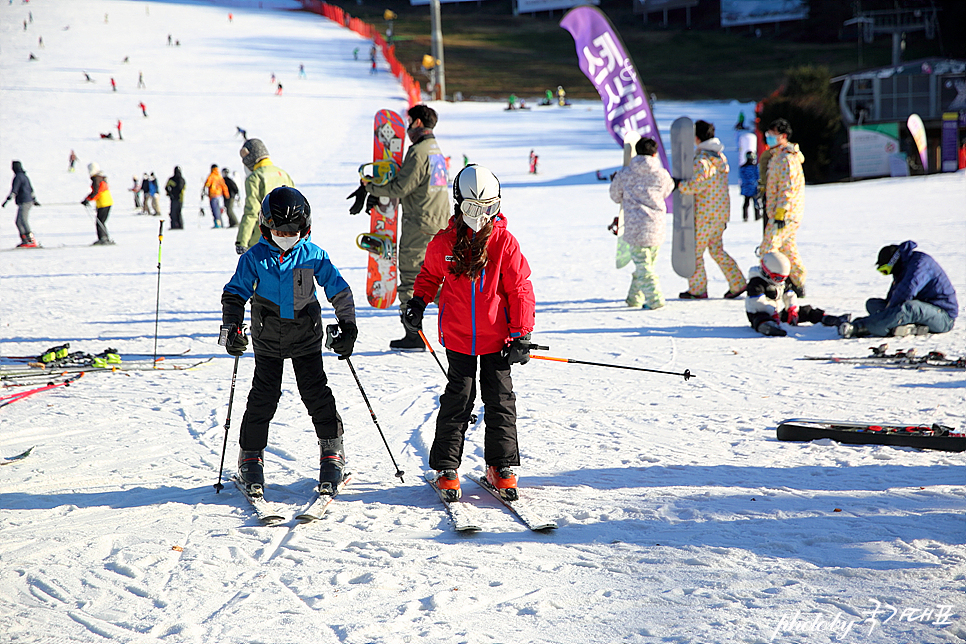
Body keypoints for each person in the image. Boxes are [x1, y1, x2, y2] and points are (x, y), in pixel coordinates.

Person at [402, 165, 535, 501]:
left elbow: (519, 288)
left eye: (490, 207)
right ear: (459, 204)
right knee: (458, 399)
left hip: (497, 339)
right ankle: (447, 467)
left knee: (500, 400)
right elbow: (429, 277)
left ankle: (501, 466)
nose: (482, 216)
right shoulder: (445, 243)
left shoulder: (504, 244)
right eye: (474, 209)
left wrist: (521, 334)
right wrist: (417, 303)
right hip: (459, 337)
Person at [221, 187, 357, 496]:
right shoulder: (254, 258)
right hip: (267, 337)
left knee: (315, 393)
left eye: (291, 231)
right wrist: (231, 328)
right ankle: (251, 455)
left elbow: (339, 290)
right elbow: (234, 293)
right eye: (278, 230)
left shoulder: (313, 255)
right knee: (263, 397)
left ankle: (332, 450)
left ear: (304, 228)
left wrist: (348, 325)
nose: (285, 236)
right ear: (265, 227)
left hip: (305, 336)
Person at [354, 104, 450, 350]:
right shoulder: (436, 151)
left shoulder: (419, 152)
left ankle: (413, 334)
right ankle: (461, 321)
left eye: (409, 123)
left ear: (418, 123)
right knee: (438, 281)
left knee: (410, 279)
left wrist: (371, 188)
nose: (407, 128)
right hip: (440, 223)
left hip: (420, 225)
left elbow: (400, 188)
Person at [677, 120, 746, 299]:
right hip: (720, 213)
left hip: (704, 213)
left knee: (695, 252)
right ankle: (738, 282)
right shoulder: (719, 157)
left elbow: (698, 184)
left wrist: (680, 186)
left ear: (697, 137)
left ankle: (698, 289)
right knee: (716, 249)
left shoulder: (702, 160)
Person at [839, 241, 958, 339]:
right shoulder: (902, 267)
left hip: (943, 317)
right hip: (922, 310)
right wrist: (887, 312)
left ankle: (860, 327)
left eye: (886, 270)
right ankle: (906, 327)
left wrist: (882, 316)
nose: (888, 274)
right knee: (872, 304)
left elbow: (907, 290)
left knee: (910, 308)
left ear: (894, 262)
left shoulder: (920, 263)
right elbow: (893, 297)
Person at [608, 137, 674, 309]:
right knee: (646, 264)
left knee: (644, 266)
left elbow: (615, 196)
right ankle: (634, 298)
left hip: (635, 226)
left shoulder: (625, 173)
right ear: (655, 153)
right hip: (657, 226)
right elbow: (668, 190)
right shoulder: (662, 174)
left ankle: (655, 299)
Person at [746, 252, 848, 337]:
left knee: (805, 311)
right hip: (760, 312)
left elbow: (789, 294)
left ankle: (829, 319)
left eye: (784, 278)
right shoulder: (756, 283)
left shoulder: (779, 282)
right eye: (778, 278)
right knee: (760, 318)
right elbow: (757, 302)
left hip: (776, 313)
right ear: (766, 273)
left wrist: (791, 308)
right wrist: (772, 312)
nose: (781, 282)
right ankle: (767, 327)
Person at [761, 118, 806, 297]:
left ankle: (769, 283)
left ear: (783, 136)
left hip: (784, 214)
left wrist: (781, 212)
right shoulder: (777, 156)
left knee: (768, 249)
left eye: (773, 135)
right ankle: (799, 280)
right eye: (768, 134)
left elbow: (789, 187)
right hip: (784, 213)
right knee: (788, 248)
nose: (769, 138)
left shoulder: (787, 158)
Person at [236, 139, 294, 253]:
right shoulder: (283, 174)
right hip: (288, 236)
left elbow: (252, 211)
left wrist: (241, 241)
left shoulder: (255, 178)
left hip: (263, 237)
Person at [3, 161, 41, 248]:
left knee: (22, 221)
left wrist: (7, 200)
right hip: (27, 201)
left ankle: (30, 240)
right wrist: (34, 200)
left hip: (25, 201)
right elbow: (31, 189)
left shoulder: (18, 177)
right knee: (18, 222)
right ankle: (25, 240)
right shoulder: (24, 176)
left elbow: (14, 190)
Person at [81, 162, 114, 245]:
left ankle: (103, 238)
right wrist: (88, 199)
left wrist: (87, 199)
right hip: (105, 202)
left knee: (100, 222)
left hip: (104, 203)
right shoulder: (100, 178)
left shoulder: (96, 179)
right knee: (101, 221)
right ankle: (105, 237)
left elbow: (96, 192)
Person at [739, 151, 760, 222]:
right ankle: (757, 216)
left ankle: (745, 216)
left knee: (746, 203)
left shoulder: (743, 167)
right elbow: (758, 176)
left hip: (746, 188)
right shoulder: (755, 167)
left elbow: (742, 177)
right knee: (756, 203)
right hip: (754, 187)